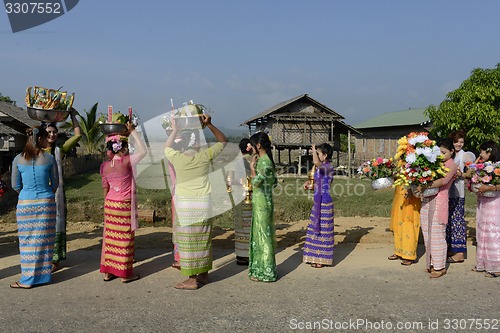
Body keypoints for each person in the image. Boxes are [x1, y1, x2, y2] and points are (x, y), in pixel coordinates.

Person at [164, 114, 227, 290]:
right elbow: (223, 141)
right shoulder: (205, 156)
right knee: (203, 239)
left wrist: (175, 128)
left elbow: (166, 147)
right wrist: (210, 125)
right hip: (203, 203)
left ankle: (192, 279)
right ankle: (204, 274)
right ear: (198, 143)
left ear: (183, 143)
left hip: (185, 205)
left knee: (188, 242)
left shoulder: (177, 157)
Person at [10, 126, 58, 289]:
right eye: (45, 138)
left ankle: (28, 278)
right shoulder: (49, 159)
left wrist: (27, 195)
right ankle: (43, 276)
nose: (48, 141)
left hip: (25, 205)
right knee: (45, 240)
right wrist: (45, 194)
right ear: (40, 139)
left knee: (27, 242)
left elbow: (15, 185)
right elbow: (55, 183)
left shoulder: (17, 159)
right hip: (46, 203)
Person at [99, 123, 146, 283]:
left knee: (111, 239)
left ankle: (109, 272)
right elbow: (143, 151)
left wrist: (106, 207)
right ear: (124, 148)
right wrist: (133, 132)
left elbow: (105, 189)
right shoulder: (126, 162)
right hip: (123, 205)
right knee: (124, 240)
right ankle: (125, 274)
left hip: (110, 204)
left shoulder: (105, 166)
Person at [42, 109, 82, 272]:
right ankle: (42, 257)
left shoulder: (59, 150)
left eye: (54, 132)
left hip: (56, 194)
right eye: (49, 132)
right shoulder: (35, 150)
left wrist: (73, 116)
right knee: (42, 226)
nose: (52, 135)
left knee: (56, 226)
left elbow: (78, 135)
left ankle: (55, 260)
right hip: (40, 193)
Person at [416, 138, 457, 278]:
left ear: (452, 151)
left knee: (437, 235)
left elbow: (444, 181)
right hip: (427, 200)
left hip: (439, 202)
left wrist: (424, 185)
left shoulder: (452, 165)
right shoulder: (434, 163)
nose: (441, 154)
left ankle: (440, 266)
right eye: (438, 151)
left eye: (444, 152)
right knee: (427, 233)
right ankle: (431, 263)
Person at [248, 132, 278, 282]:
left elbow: (256, 183)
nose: (251, 147)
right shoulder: (266, 160)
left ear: (258, 145)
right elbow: (274, 182)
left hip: (262, 203)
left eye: (252, 145)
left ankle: (266, 272)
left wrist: (252, 168)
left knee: (263, 238)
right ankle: (260, 269)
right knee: (260, 236)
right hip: (263, 201)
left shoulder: (264, 162)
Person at [470, 141, 500, 278]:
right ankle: (483, 263)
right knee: (482, 232)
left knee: (493, 232)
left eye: (482, 151)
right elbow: (470, 174)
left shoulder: (498, 166)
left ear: (490, 152)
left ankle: (496, 266)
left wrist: (489, 188)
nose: (480, 154)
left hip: (494, 203)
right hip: (483, 202)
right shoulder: (482, 167)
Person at [302, 143, 335, 268]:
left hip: (325, 201)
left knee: (324, 230)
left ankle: (322, 259)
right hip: (317, 201)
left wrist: (314, 151)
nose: (316, 156)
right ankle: (314, 256)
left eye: (319, 154)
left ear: (325, 155)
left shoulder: (328, 168)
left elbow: (316, 163)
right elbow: (315, 182)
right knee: (315, 228)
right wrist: (307, 184)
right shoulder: (320, 169)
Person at [446, 130, 474, 263]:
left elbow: (471, 172)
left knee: (457, 221)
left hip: (458, 192)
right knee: (449, 221)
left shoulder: (465, 156)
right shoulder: (450, 155)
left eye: (461, 142)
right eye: (456, 141)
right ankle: (451, 248)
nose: (459, 144)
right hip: (447, 193)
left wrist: (461, 175)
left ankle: (459, 253)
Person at [388, 182, 421, 266]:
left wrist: (411, 189)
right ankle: (398, 251)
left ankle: (409, 254)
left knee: (408, 223)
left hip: (410, 193)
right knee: (398, 221)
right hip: (399, 192)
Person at [232, 138, 253, 266]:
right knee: (248, 227)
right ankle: (247, 255)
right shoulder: (249, 161)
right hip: (248, 196)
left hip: (238, 196)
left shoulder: (237, 161)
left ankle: (241, 254)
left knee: (240, 227)